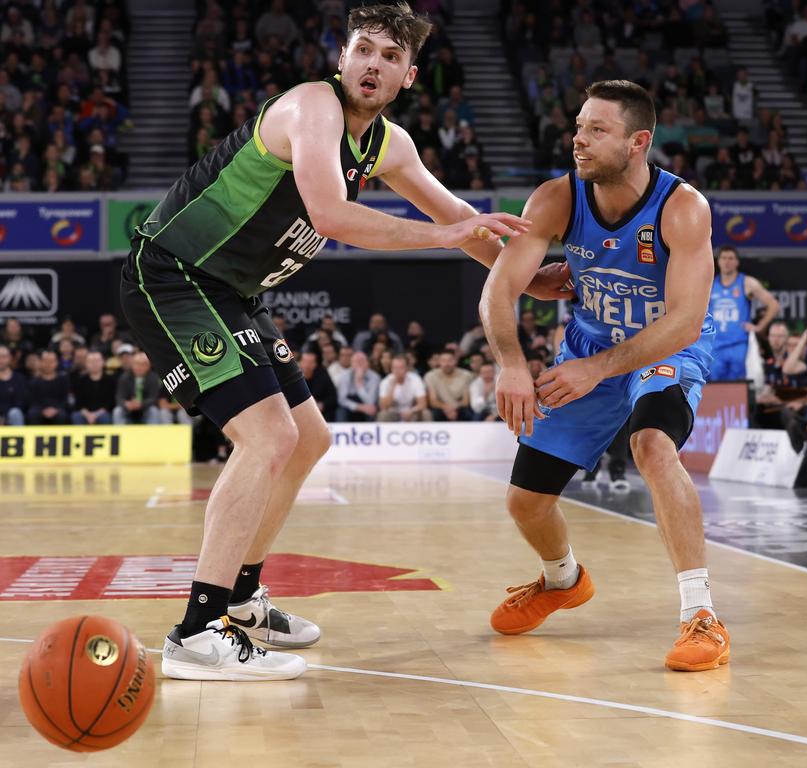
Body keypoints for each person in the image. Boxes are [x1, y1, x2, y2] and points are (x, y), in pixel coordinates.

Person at [119, 2, 564, 682]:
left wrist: (526, 283)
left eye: (390, 58)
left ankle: (240, 600)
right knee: (267, 438)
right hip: (174, 276)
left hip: (232, 292)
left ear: (408, 77)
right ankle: (196, 631)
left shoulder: (389, 145)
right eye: (364, 49)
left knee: (311, 437)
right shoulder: (310, 109)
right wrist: (440, 237)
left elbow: (466, 224)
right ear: (342, 57)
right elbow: (332, 215)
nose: (373, 65)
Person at [479, 80, 727, 672]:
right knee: (525, 503)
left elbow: (687, 320)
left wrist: (598, 368)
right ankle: (562, 579)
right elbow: (499, 289)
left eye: (597, 130)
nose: (579, 139)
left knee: (651, 445)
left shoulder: (682, 207)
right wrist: (512, 363)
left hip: (662, 346)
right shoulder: (557, 198)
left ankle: (702, 614)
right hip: (589, 344)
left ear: (638, 142)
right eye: (579, 125)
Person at [708, 245, 779, 380]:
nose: (727, 262)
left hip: (739, 344)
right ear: (718, 261)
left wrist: (759, 327)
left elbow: (773, 305)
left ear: (737, 262)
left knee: (738, 388)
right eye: (723, 258)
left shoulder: (747, 282)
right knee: (714, 389)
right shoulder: (710, 284)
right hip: (715, 346)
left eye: (731, 258)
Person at [113, 351, 161, 424]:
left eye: (143, 364)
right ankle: (121, 433)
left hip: (145, 408)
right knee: (117, 411)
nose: (139, 367)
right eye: (137, 364)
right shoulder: (124, 378)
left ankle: (152, 434)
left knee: (153, 411)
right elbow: (119, 397)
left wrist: (141, 404)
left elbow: (154, 398)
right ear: (132, 364)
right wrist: (126, 404)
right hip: (129, 409)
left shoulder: (153, 378)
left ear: (149, 366)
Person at [424, 350, 473, 421]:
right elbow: (433, 401)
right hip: (440, 407)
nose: (446, 364)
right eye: (443, 361)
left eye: (450, 360)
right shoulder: (430, 376)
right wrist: (446, 407)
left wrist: (454, 407)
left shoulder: (466, 375)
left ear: (455, 361)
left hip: (460, 407)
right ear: (439, 362)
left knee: (467, 413)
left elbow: (466, 401)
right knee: (434, 414)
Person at [377, 355, 429, 421]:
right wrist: (392, 388)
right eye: (394, 368)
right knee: (383, 415)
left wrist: (411, 411)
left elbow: (423, 404)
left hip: (411, 411)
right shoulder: (385, 382)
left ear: (407, 369)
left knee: (426, 413)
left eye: (400, 368)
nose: (397, 371)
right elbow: (383, 407)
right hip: (393, 412)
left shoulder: (415, 379)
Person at [71, 350, 117, 424]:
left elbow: (111, 402)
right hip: (84, 412)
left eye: (97, 361)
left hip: (103, 412)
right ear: (86, 363)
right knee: (76, 417)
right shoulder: (80, 380)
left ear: (103, 362)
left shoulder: (111, 380)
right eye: (91, 361)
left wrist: (96, 414)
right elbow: (78, 402)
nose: (94, 364)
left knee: (105, 418)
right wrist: (88, 414)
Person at [27, 350, 70, 425]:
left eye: (51, 361)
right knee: (33, 414)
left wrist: (56, 409)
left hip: (58, 409)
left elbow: (65, 399)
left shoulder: (63, 380)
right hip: (39, 409)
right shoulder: (34, 381)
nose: (48, 364)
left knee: (62, 415)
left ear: (56, 363)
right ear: (40, 362)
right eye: (45, 361)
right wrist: (42, 410)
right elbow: (32, 401)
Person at [337, 350, 380, 421]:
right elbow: (342, 399)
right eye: (356, 362)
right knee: (341, 411)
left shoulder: (374, 377)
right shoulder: (344, 375)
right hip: (351, 407)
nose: (359, 364)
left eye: (362, 361)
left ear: (368, 363)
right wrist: (359, 407)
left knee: (372, 410)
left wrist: (359, 384)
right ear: (351, 363)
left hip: (367, 406)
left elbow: (371, 402)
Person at [0, 346, 28, 426]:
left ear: (10, 358)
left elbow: (21, 403)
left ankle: (19, 437)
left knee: (15, 413)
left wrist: (4, 416)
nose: (1, 360)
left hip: (11, 417)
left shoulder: (19, 379)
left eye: (4, 357)